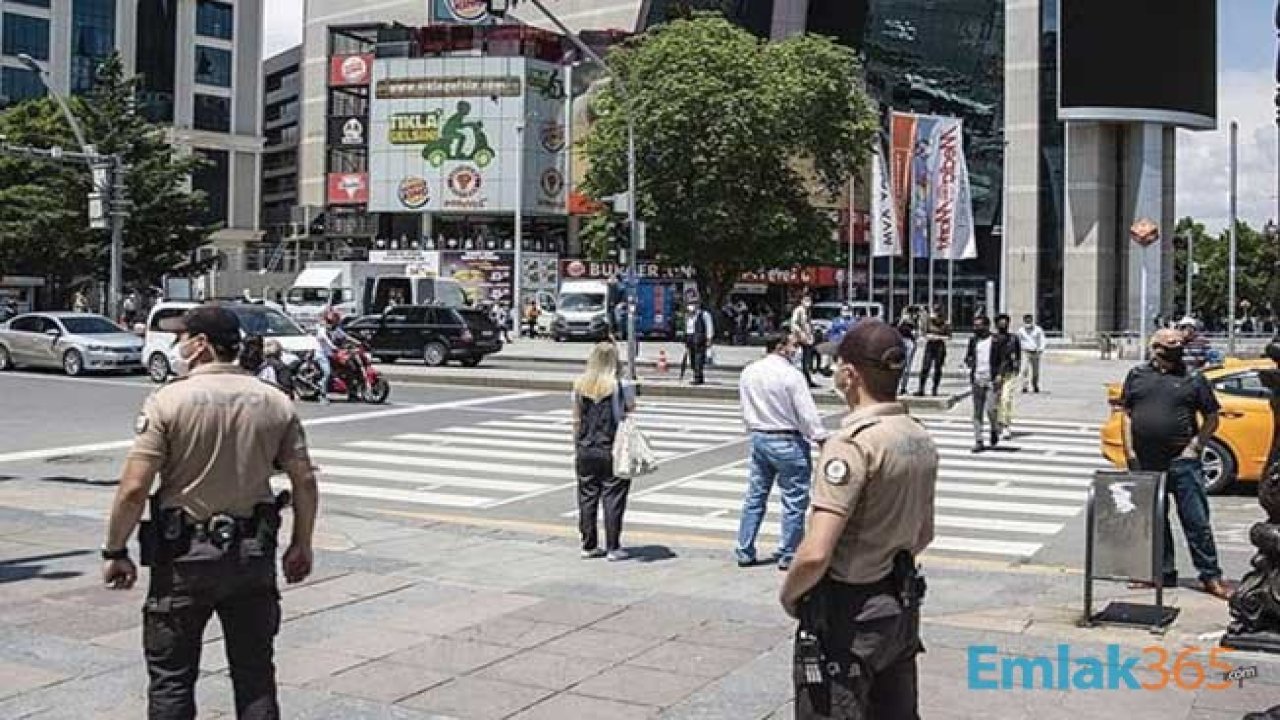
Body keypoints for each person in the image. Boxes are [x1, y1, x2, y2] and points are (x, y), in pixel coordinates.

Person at [99, 305, 318, 718]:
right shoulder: (275, 402)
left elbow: (133, 488)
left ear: (200, 346)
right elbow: (304, 480)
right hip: (251, 556)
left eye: (182, 337)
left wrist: (115, 551)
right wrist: (301, 544)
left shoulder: (168, 401)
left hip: (182, 558)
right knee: (254, 676)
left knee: (172, 678)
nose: (177, 345)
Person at [779, 319, 936, 720]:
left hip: (848, 612)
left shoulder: (852, 445)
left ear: (850, 375)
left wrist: (790, 594)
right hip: (899, 606)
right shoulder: (918, 436)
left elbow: (815, 554)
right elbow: (923, 533)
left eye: (838, 366)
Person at [1120, 327, 1231, 599]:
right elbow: (1126, 413)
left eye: (1179, 345)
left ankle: (1210, 576)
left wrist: (1195, 447)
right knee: (1155, 520)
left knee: (1196, 520)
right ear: (1154, 347)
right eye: (1170, 345)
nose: (1176, 348)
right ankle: (1162, 572)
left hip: (1183, 461)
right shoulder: (1137, 375)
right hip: (1146, 460)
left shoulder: (1193, 378)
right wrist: (1130, 452)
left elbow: (1212, 417)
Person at [736, 334, 829, 570]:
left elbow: (746, 405)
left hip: (760, 436)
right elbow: (806, 411)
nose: (796, 350)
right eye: (793, 345)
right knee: (794, 500)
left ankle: (745, 549)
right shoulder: (791, 375)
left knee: (755, 496)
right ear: (781, 347)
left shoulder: (749, 371)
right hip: (787, 438)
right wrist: (820, 437)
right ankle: (788, 553)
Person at [572, 342, 635, 561]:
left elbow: (576, 418)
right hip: (611, 446)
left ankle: (588, 545)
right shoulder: (620, 384)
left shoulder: (580, 384)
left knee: (587, 496)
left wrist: (577, 446)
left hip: (586, 447)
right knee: (613, 496)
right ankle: (613, 547)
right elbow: (631, 408)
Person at [964, 315, 1003, 453]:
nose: (976, 328)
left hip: (991, 379)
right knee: (977, 412)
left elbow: (1002, 360)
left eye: (979, 325)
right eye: (975, 325)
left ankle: (994, 428)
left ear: (987, 326)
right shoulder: (973, 341)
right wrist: (968, 361)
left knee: (991, 409)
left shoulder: (996, 340)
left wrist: (999, 375)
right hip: (977, 379)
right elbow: (968, 356)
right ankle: (978, 440)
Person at [993, 314, 1022, 440]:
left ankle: (1005, 425)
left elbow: (1018, 354)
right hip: (994, 374)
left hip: (1009, 372)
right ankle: (997, 424)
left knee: (1006, 399)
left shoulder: (1014, 339)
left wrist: (1017, 367)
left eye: (1005, 323)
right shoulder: (992, 339)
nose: (1003, 325)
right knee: (995, 401)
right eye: (1000, 323)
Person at [914, 305, 951, 397]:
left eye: (938, 311)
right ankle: (921, 388)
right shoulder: (929, 321)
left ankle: (934, 389)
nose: (936, 313)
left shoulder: (945, 322)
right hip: (930, 345)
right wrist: (928, 335)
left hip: (940, 345)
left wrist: (939, 337)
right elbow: (923, 333)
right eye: (935, 310)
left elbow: (949, 336)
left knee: (938, 368)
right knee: (925, 367)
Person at [313, 310, 345, 404]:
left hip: (330, 354)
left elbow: (344, 336)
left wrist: (357, 342)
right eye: (330, 322)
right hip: (321, 355)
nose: (332, 324)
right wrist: (334, 347)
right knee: (327, 373)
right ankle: (322, 395)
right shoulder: (322, 330)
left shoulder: (334, 329)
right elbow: (327, 340)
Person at [684, 296, 715, 386]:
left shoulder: (704, 314)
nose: (690, 305)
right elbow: (687, 328)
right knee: (692, 359)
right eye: (689, 303)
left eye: (693, 303)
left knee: (699, 359)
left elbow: (709, 326)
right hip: (690, 339)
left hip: (700, 339)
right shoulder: (688, 316)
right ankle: (697, 375)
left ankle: (698, 377)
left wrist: (709, 339)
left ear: (698, 304)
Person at [790, 295, 819, 389]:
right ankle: (803, 380)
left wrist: (811, 335)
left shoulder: (807, 311)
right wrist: (800, 334)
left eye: (809, 300)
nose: (808, 303)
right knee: (799, 360)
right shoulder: (798, 310)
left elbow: (808, 325)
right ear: (802, 301)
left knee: (806, 361)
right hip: (800, 339)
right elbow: (794, 324)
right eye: (806, 300)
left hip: (807, 339)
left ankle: (807, 380)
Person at [1017, 314, 1046, 393]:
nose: (1028, 322)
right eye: (1026, 320)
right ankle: (1024, 386)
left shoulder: (1038, 329)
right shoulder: (1021, 330)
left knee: (1035, 371)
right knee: (1024, 369)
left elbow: (1042, 339)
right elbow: (1018, 341)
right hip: (1025, 352)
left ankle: (1035, 384)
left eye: (1029, 320)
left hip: (1035, 352)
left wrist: (1041, 348)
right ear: (1024, 321)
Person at [897, 310, 918, 396]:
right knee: (899, 365)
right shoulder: (900, 322)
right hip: (901, 341)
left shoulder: (914, 322)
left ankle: (903, 388)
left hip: (909, 342)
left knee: (907, 367)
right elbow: (895, 328)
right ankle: (898, 387)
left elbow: (917, 333)